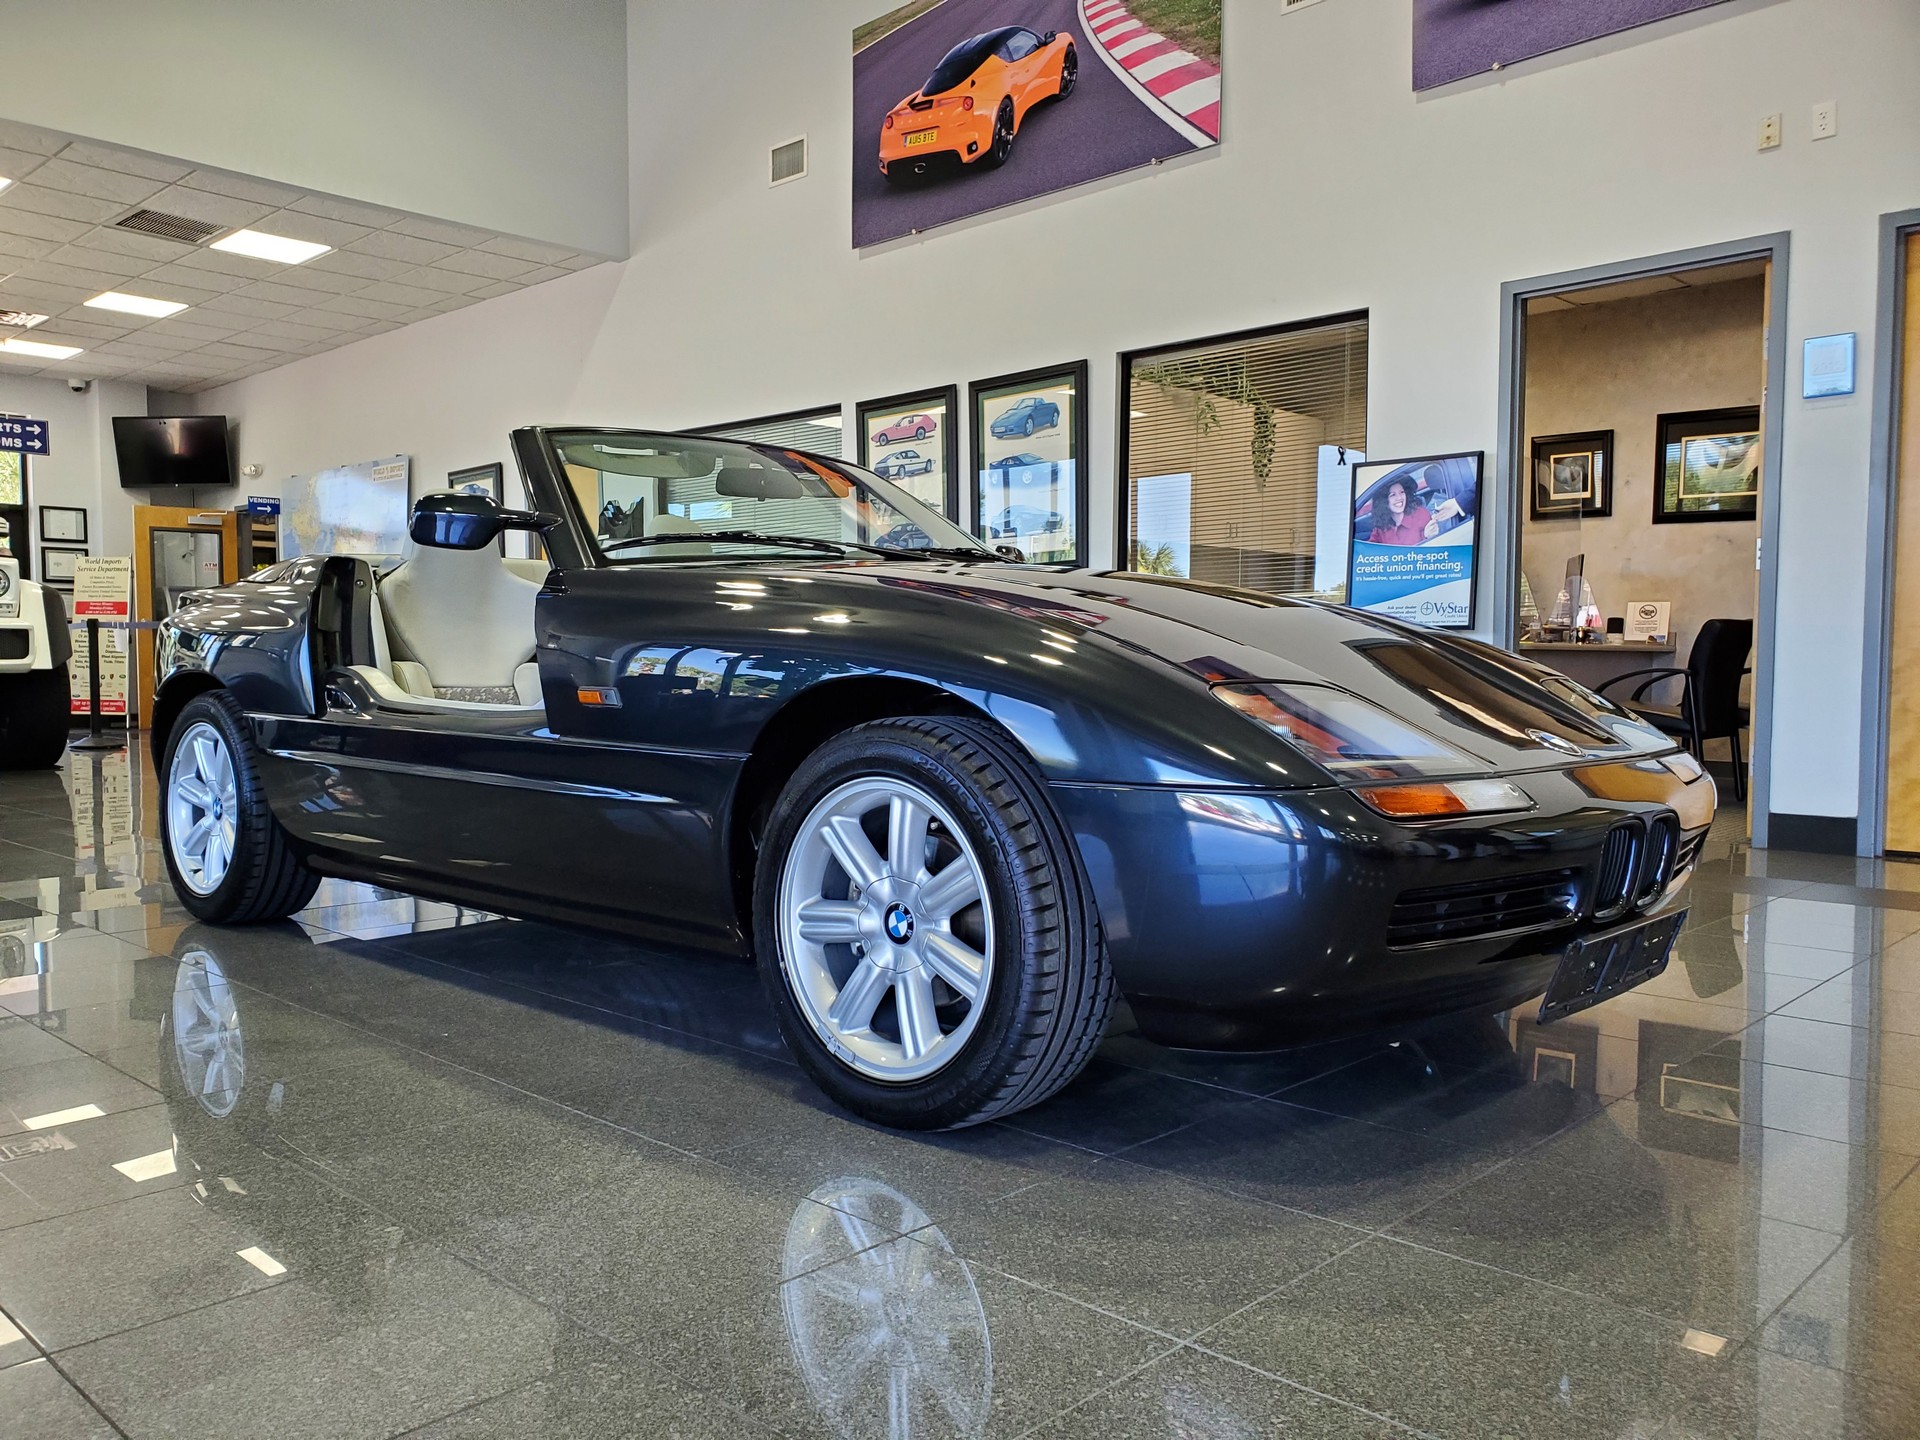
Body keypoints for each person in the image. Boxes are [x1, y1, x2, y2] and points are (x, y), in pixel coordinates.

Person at [1366, 476, 1436, 546]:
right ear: (1384, 502)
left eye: (1402, 492)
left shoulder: (1421, 514)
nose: (1399, 497)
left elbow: (1433, 543)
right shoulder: (1381, 526)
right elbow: (1370, 549)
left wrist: (1426, 537)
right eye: (1393, 495)